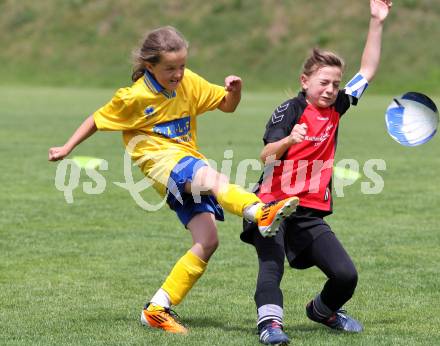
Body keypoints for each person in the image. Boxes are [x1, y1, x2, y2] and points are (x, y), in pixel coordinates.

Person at [48, 26, 299, 335]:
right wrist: (66, 147)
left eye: (182, 65)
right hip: (161, 164)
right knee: (211, 176)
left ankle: (157, 308)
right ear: (149, 65)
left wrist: (235, 91)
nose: (178, 73)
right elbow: (97, 120)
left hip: (185, 160)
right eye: (170, 68)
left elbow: (227, 106)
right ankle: (260, 211)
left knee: (207, 241)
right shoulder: (134, 96)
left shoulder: (187, 82)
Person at [240, 1, 392, 344]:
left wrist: (376, 21)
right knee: (271, 266)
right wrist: (289, 140)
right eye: (324, 82)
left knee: (345, 275)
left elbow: (367, 71)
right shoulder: (289, 110)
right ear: (304, 81)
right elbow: (266, 153)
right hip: (271, 206)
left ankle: (323, 310)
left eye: (335, 84)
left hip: (308, 211)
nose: (330, 89)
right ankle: (270, 326)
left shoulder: (337, 107)